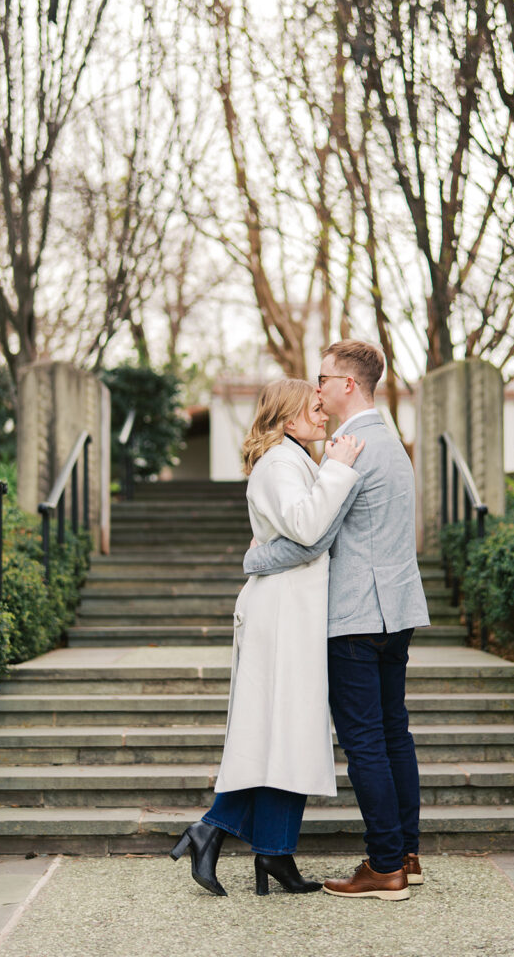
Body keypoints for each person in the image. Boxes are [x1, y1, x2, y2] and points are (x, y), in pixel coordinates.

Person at [243, 340, 430, 901]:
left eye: (323, 378)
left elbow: (311, 539)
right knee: (393, 731)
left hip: (353, 615)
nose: (316, 387)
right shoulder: (391, 441)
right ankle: (406, 852)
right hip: (396, 610)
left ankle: (385, 865)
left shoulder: (351, 449)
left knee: (365, 740)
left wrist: (255, 558)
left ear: (349, 384)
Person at [170, 378, 365, 897]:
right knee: (278, 732)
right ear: (287, 419)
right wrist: (341, 468)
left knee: (290, 735)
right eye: (312, 409)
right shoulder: (279, 463)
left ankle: (272, 852)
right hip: (279, 615)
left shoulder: (292, 459)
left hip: (293, 612)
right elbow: (306, 527)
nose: (322, 415)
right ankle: (215, 829)